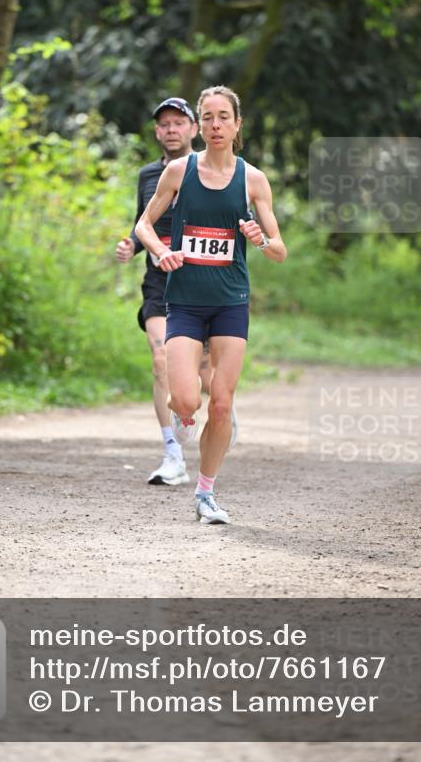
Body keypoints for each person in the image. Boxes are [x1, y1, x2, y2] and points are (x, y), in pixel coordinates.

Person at [135, 85, 288, 525]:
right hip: (184, 301)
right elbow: (144, 225)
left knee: (221, 403)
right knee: (186, 401)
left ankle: (205, 493)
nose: (216, 125)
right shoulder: (179, 171)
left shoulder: (253, 180)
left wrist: (261, 240)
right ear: (199, 126)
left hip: (230, 303)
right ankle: (183, 417)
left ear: (238, 125)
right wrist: (161, 251)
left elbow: (280, 250)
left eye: (224, 117)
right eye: (208, 117)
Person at [116, 97, 213, 486]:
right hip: (160, 279)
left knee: (205, 375)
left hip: (204, 280)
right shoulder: (148, 175)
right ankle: (173, 455)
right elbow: (144, 222)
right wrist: (132, 244)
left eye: (178, 123)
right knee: (161, 360)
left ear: (193, 129)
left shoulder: (210, 170)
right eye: (164, 124)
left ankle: (220, 409)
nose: (171, 130)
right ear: (157, 132)